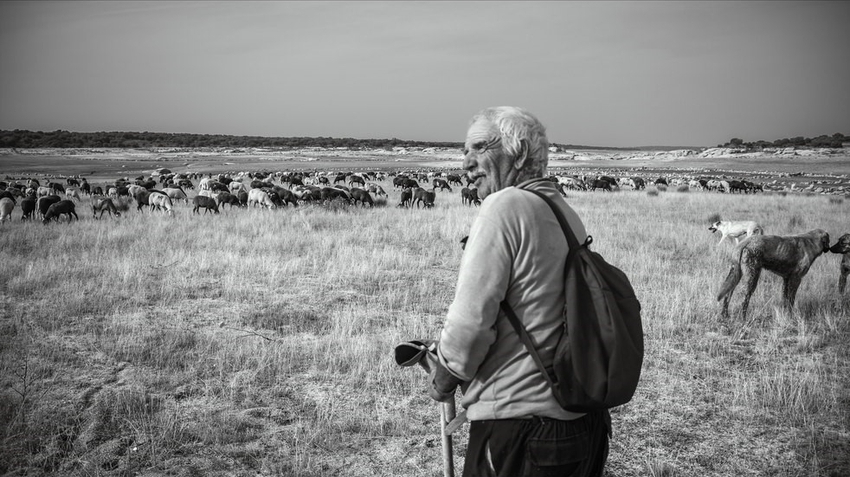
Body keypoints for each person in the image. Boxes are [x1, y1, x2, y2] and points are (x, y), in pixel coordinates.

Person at [428, 106, 610, 476]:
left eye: (480, 148)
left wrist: (444, 378)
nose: (467, 163)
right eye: (465, 151)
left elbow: (471, 323)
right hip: (580, 424)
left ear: (520, 152)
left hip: (522, 430)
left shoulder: (504, 206)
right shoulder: (560, 209)